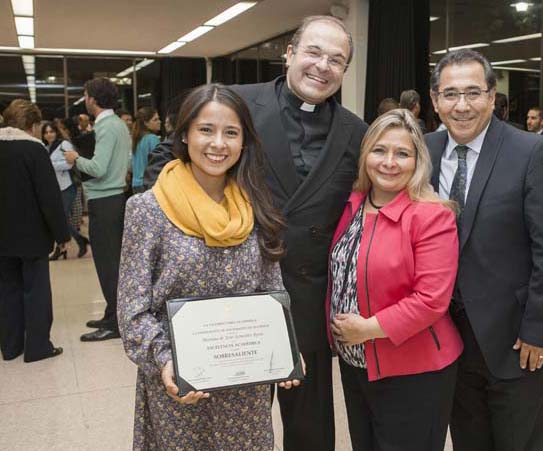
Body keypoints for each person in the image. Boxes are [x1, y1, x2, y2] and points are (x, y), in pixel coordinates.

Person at [143, 15, 368, 451]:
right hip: (232, 301)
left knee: (311, 431)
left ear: (345, 71)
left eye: (336, 60)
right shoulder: (237, 104)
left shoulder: (355, 132)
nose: (322, 66)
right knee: (232, 429)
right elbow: (167, 159)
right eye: (313, 52)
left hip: (308, 302)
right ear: (289, 54)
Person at [118, 83, 301, 450]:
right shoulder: (148, 210)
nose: (218, 143)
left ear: (244, 141)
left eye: (231, 133)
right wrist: (167, 362)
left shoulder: (255, 206)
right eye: (206, 130)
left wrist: (283, 348)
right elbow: (132, 309)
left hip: (244, 392)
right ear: (184, 134)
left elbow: (271, 293)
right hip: (180, 385)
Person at [426, 49, 543, 450]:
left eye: (473, 92)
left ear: (493, 97)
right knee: (468, 439)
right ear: (435, 100)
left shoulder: (532, 152)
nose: (462, 105)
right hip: (447, 338)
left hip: (516, 338)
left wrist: (540, 331)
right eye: (450, 94)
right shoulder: (423, 151)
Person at [328, 109, 462, 451]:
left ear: (417, 161)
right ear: (365, 155)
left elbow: (432, 300)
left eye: (402, 153)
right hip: (356, 363)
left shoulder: (431, 215)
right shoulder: (352, 205)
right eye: (379, 150)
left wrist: (368, 329)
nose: (389, 162)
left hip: (414, 370)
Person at [0, 99, 69, 362]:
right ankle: (38, 346)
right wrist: (62, 236)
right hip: (32, 236)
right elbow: (48, 198)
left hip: (2, 237)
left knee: (7, 290)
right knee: (36, 290)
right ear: (31, 124)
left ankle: (10, 346)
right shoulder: (34, 150)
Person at [64, 77, 131, 342]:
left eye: (85, 95)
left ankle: (115, 324)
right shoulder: (119, 125)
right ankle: (111, 313)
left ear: (93, 98)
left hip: (105, 202)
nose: (85, 100)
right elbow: (124, 164)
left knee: (108, 266)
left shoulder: (105, 126)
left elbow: (98, 168)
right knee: (112, 263)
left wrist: (75, 159)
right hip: (115, 200)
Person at [41, 122, 89, 259]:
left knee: (61, 218)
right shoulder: (44, 147)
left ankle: (63, 247)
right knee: (60, 219)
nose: (49, 134)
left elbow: (70, 163)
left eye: (51, 131)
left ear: (56, 132)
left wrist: (51, 165)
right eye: (46, 132)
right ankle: (77, 242)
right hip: (54, 188)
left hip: (67, 186)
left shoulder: (64, 145)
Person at [130, 107, 161, 194]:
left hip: (135, 184)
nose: (159, 122)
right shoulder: (153, 138)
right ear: (146, 123)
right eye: (155, 120)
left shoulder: (136, 139)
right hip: (148, 183)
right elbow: (158, 162)